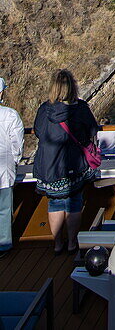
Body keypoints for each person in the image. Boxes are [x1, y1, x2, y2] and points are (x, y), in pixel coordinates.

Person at [32, 69, 99, 255]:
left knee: (54, 204)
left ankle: (57, 244)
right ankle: (71, 243)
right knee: (74, 203)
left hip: (49, 167)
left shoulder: (44, 109)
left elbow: (38, 132)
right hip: (73, 165)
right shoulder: (80, 108)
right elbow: (92, 131)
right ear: (73, 88)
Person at [0, 76, 24, 256]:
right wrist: (15, 161)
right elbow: (17, 143)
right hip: (4, 171)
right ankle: (4, 245)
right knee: (4, 209)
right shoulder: (10, 115)